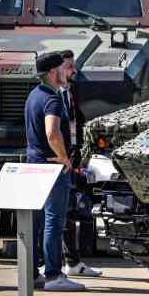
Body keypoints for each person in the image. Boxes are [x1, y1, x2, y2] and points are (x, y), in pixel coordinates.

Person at [24, 51, 85, 292]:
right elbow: (52, 132)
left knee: (35, 222)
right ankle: (53, 275)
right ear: (52, 73)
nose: (66, 72)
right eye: (62, 68)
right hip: (51, 168)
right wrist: (63, 159)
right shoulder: (52, 98)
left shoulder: (33, 95)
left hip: (33, 163)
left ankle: (32, 274)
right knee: (54, 222)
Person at [58, 49, 102, 278]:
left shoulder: (70, 91)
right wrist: (64, 158)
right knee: (59, 214)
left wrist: (79, 155)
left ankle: (71, 261)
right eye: (69, 66)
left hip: (70, 159)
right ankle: (59, 264)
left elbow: (77, 123)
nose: (74, 71)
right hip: (58, 161)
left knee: (70, 212)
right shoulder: (51, 95)